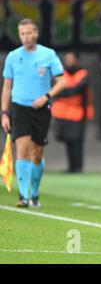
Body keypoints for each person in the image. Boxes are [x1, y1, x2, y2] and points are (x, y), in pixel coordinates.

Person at [1, 18, 65, 208]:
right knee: (22, 148)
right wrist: (4, 112)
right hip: (19, 107)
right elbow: (7, 86)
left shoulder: (48, 54)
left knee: (37, 153)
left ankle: (34, 194)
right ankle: (23, 196)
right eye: (22, 34)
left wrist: (47, 96)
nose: (26, 37)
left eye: (29, 33)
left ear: (35, 33)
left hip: (41, 109)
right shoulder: (13, 56)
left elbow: (62, 81)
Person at [51, 51, 94, 173]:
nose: (68, 61)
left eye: (71, 58)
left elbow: (78, 89)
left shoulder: (83, 74)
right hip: (63, 113)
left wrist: (65, 91)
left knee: (77, 141)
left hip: (77, 113)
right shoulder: (61, 73)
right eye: (67, 59)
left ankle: (78, 167)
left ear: (77, 60)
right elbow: (56, 90)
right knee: (68, 141)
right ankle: (71, 166)